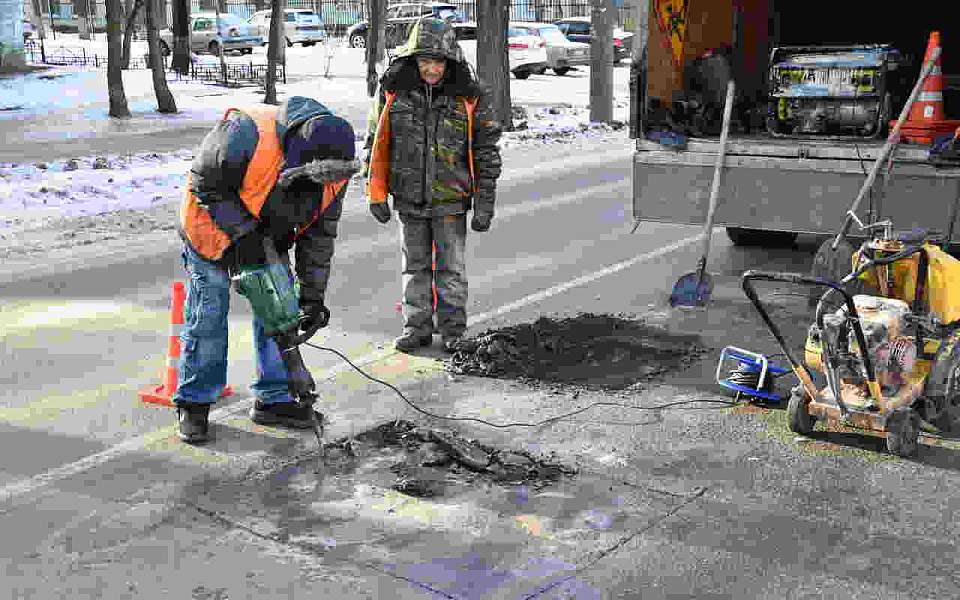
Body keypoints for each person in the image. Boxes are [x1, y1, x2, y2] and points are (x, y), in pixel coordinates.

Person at [173, 96, 359, 444]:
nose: (324, 185)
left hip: (266, 236)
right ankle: (194, 402)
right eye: (315, 177)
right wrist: (244, 235)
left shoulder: (335, 171)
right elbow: (204, 182)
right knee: (209, 312)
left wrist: (311, 298)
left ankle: (274, 399)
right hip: (209, 228)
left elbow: (319, 238)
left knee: (280, 310)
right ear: (300, 160)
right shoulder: (246, 132)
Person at [363, 17, 502, 353]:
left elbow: (486, 152)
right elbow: (376, 143)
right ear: (414, 60)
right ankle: (417, 328)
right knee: (414, 268)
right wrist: (375, 193)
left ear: (450, 62)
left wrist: (484, 203)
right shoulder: (393, 93)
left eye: (438, 62)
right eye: (425, 61)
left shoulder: (469, 97)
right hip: (408, 198)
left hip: (451, 200)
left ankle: (453, 330)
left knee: (451, 270)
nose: (431, 69)